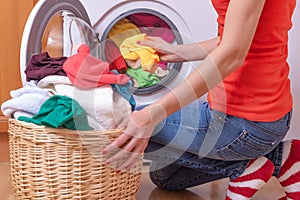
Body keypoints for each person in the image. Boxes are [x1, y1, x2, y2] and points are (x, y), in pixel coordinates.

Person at [103, 0, 300, 199]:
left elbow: (232, 54)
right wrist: (180, 51)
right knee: (166, 179)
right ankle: (281, 157)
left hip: (243, 123)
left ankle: (245, 167)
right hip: (266, 114)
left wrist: (153, 114)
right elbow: (240, 36)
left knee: (126, 122)